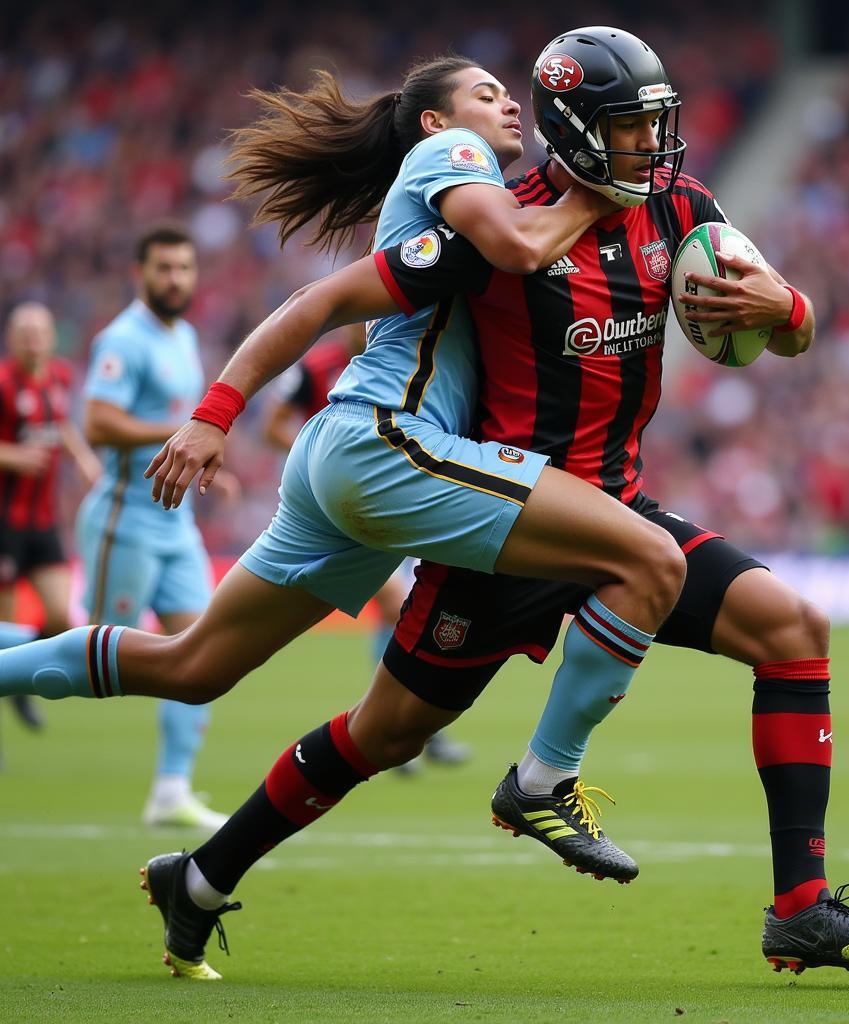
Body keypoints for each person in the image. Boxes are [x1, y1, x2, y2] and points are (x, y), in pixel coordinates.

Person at [138, 28, 849, 983]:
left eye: (658, 123)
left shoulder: (682, 207)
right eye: (633, 127)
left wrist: (783, 307)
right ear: (577, 132)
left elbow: (787, 330)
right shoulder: (493, 228)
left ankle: (800, 910)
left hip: (616, 509)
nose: (655, 143)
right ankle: (207, 876)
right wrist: (223, 411)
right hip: (502, 529)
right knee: (386, 733)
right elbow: (335, 311)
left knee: (794, 626)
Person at [0, 53, 692, 978]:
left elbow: (320, 302)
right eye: (485, 94)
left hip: (354, 464)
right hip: (387, 446)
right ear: (437, 125)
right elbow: (520, 249)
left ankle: (178, 856)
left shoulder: (448, 216)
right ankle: (544, 780)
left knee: (192, 665)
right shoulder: (459, 168)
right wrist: (611, 191)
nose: (507, 106)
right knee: (647, 560)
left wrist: (219, 413)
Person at [76, 222, 237, 830]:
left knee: (201, 653)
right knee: (89, 645)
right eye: (164, 268)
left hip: (176, 527)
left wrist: (203, 465)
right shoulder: (124, 339)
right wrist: (183, 437)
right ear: (139, 274)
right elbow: (98, 423)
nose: (176, 279)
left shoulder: (185, 335)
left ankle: (172, 789)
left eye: (184, 268)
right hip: (127, 521)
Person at [262, 329, 469, 770]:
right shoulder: (316, 367)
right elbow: (272, 424)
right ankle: (387, 727)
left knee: (413, 606)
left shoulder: (412, 360)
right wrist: (316, 450)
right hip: (342, 500)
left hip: (402, 496)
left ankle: (416, 730)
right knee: (396, 605)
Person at [0, 302, 100, 741]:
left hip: (42, 523)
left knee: (60, 616)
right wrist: (14, 456)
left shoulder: (59, 376)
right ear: (11, 337)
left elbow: (59, 424)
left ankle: (19, 686)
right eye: (24, 331)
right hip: (4, 522)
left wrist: (83, 458)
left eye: (40, 330)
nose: (32, 338)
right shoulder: (3, 383)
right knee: (3, 631)